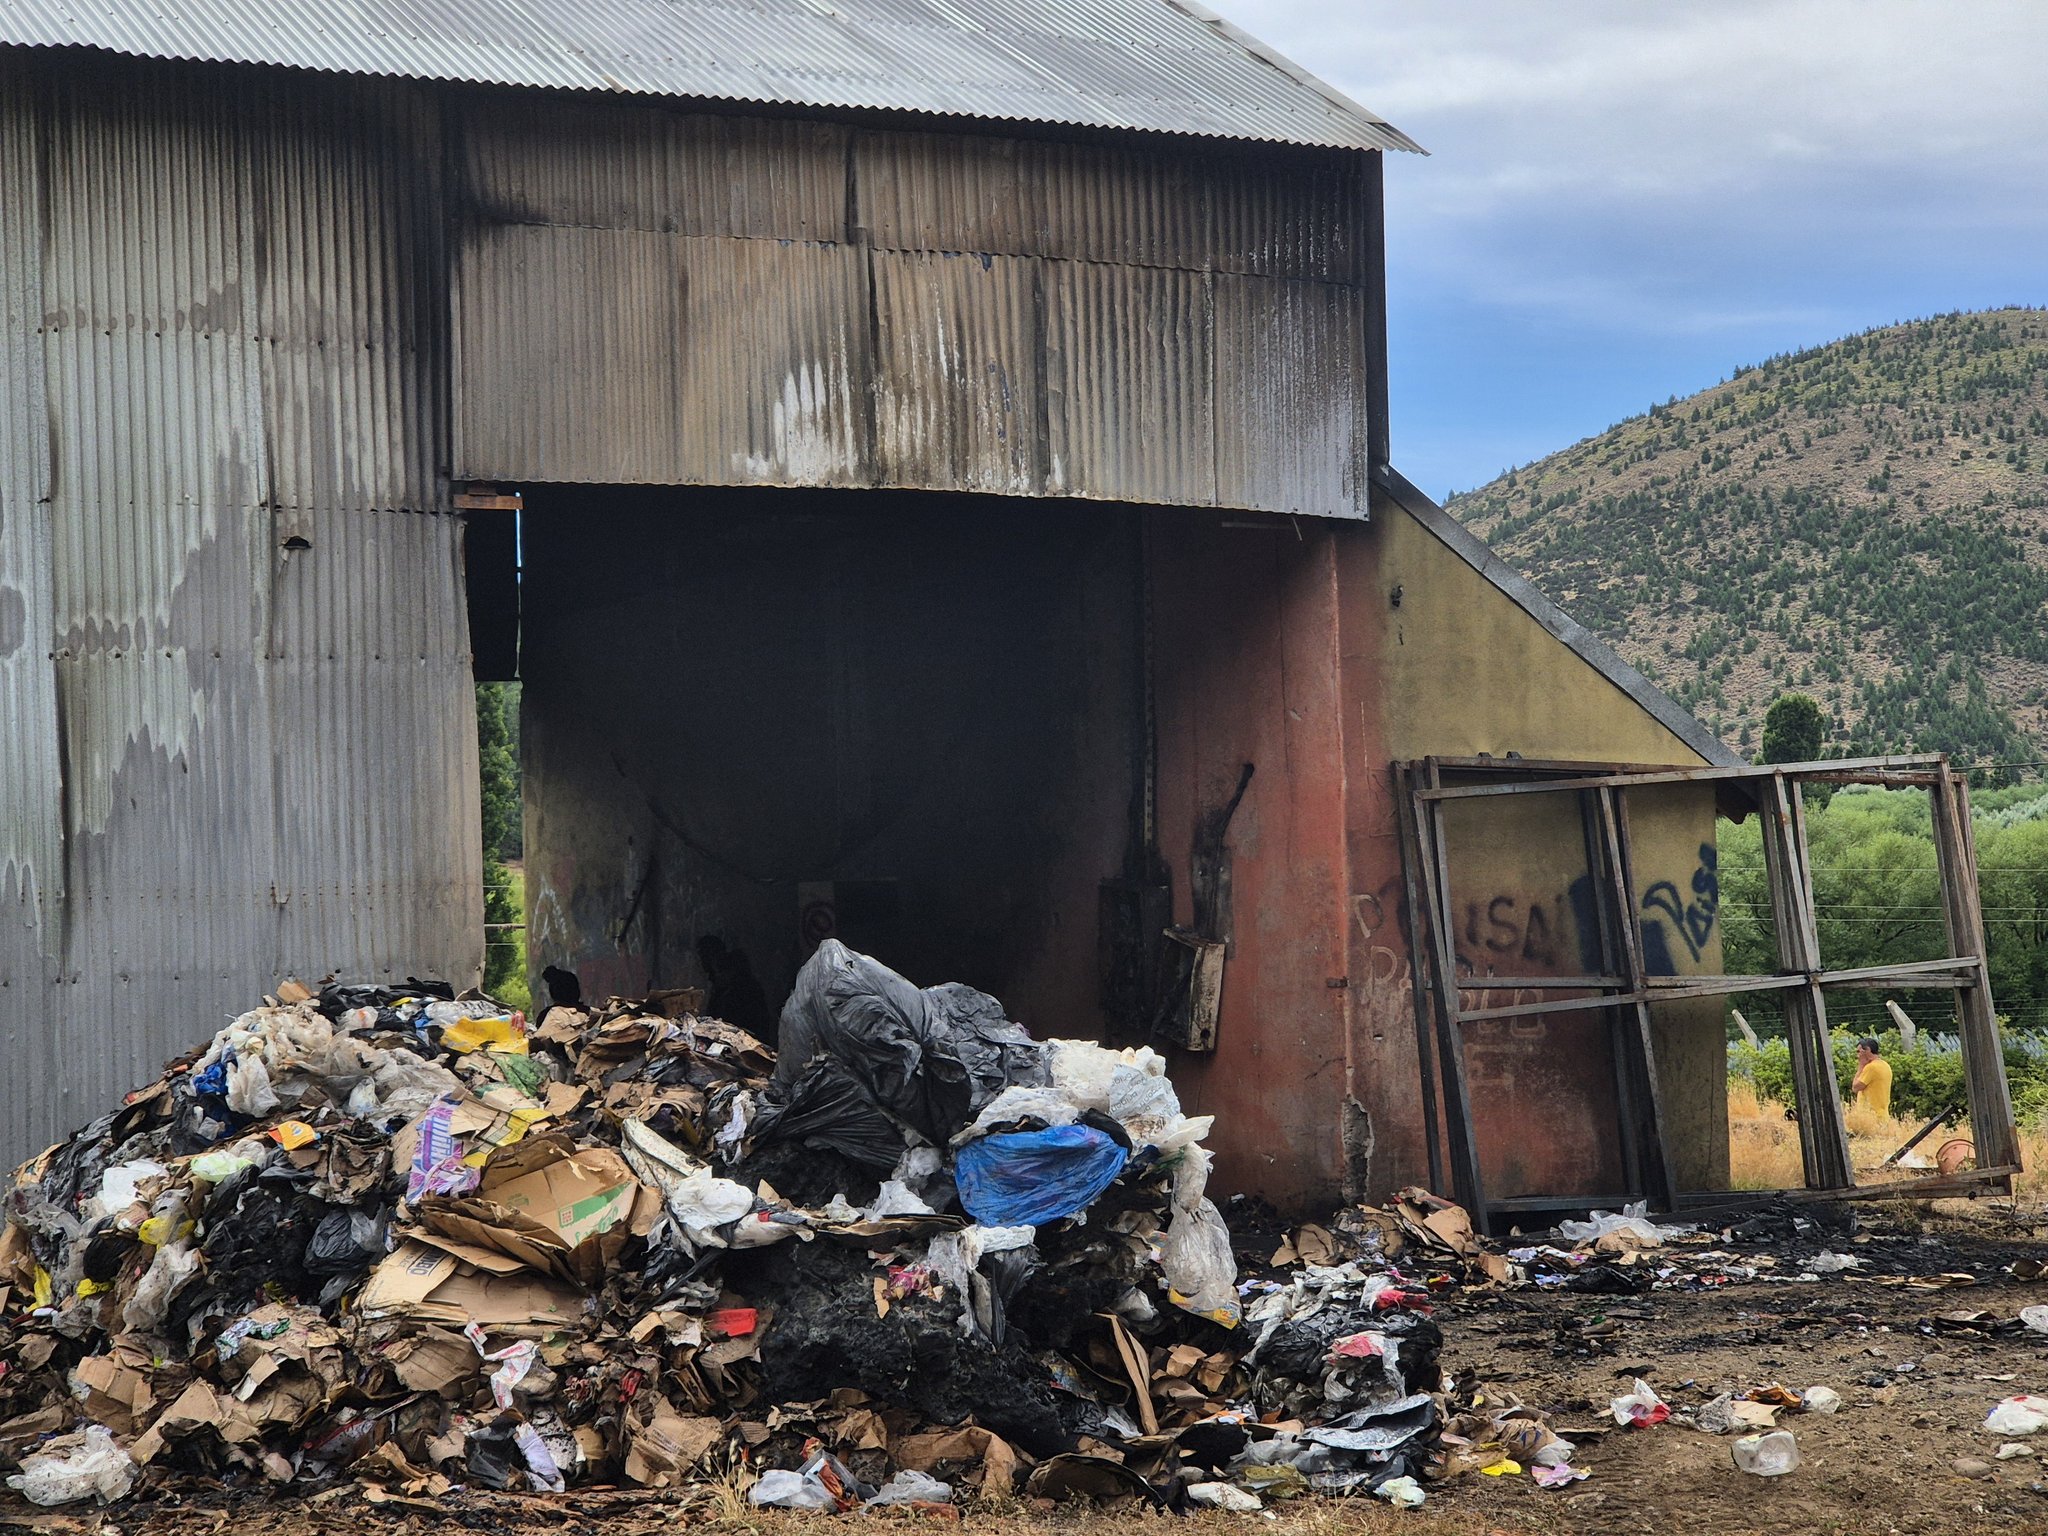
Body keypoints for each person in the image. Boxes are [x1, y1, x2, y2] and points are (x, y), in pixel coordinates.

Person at [1850, 1036, 1892, 1119]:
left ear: (1867, 1050)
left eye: (1859, 1051)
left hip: (1870, 1116)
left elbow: (1855, 1087)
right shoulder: (1885, 1065)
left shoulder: (1871, 1068)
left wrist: (1861, 1066)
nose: (1857, 1055)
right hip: (1882, 1115)